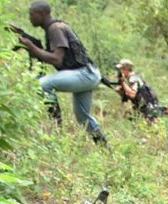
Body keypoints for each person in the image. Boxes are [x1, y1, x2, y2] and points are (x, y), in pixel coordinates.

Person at [19, 1, 106, 144]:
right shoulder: (54, 28)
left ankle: (56, 125)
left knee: (41, 83)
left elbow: (56, 59)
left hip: (84, 74)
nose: (30, 17)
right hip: (86, 74)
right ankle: (104, 147)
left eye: (31, 14)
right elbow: (51, 56)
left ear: (42, 14)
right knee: (83, 117)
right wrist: (32, 45)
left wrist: (32, 48)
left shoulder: (55, 28)